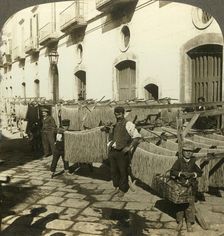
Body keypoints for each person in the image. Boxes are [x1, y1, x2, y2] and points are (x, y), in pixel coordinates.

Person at [107, 106, 141, 198]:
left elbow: (137, 137)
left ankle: (122, 189)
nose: (118, 116)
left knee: (123, 171)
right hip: (113, 151)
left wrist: (129, 147)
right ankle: (116, 188)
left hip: (122, 152)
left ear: (123, 114)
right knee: (114, 171)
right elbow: (111, 137)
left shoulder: (128, 124)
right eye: (116, 114)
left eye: (119, 114)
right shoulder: (114, 125)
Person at [170, 142, 203, 232]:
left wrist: (193, 174)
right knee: (180, 205)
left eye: (190, 151)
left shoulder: (193, 162)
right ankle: (180, 222)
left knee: (190, 205)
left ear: (192, 153)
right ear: (183, 152)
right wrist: (181, 173)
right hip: (180, 187)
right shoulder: (179, 161)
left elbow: (200, 173)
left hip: (191, 187)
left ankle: (189, 222)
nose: (188, 153)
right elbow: (172, 171)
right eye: (186, 151)